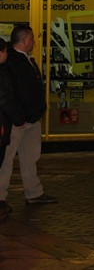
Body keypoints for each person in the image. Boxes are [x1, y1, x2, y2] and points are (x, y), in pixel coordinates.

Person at [0, 25, 58, 216]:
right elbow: (10, 92)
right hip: (18, 120)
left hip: (30, 118)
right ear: (24, 40)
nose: (34, 41)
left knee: (30, 157)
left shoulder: (26, 60)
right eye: (32, 38)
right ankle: (1, 197)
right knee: (6, 160)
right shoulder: (11, 61)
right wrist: (18, 117)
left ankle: (34, 192)